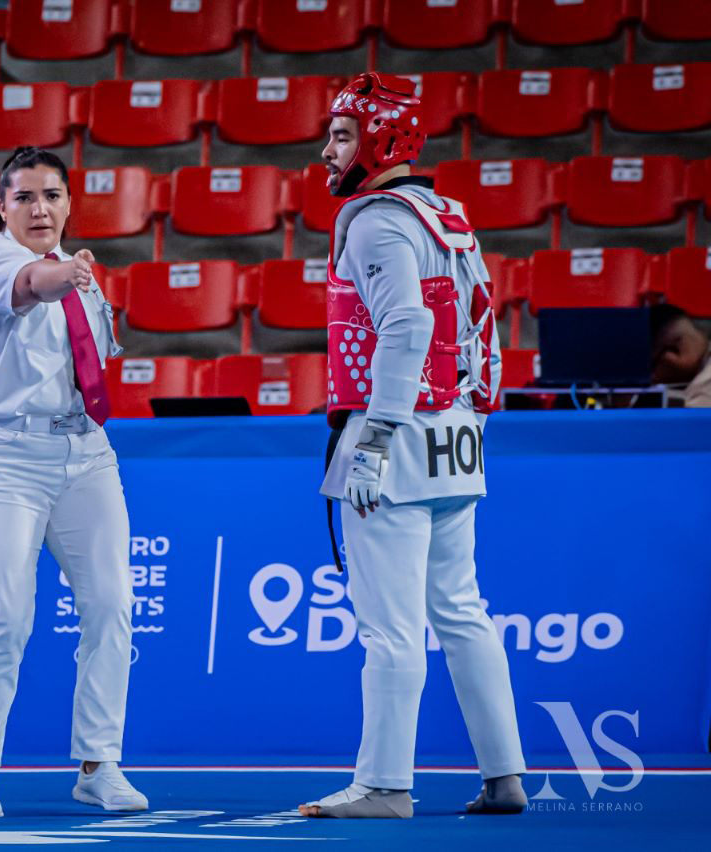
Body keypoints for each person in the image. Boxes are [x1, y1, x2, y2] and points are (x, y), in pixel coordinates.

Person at [305, 73, 526, 819]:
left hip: (393, 436)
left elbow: (407, 328)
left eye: (341, 135)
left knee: (392, 628)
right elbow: (483, 325)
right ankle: (505, 777)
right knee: (462, 610)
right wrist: (475, 418)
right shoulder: (446, 213)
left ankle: (385, 785)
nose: (326, 151)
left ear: (379, 141)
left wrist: (374, 440)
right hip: (456, 434)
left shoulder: (373, 219)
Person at [0, 147, 146, 818]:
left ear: (68, 203)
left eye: (53, 195)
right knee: (5, 618)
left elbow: (92, 351)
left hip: (87, 451)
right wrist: (67, 274)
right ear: (0, 206)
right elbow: (34, 285)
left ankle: (100, 764)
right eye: (25, 196)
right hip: (6, 456)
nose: (40, 208)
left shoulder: (83, 278)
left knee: (113, 605)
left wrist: (79, 278)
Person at [651, 304, 711, 407]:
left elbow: (695, 417)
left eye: (652, 367)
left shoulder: (704, 388)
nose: (653, 377)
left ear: (673, 352)